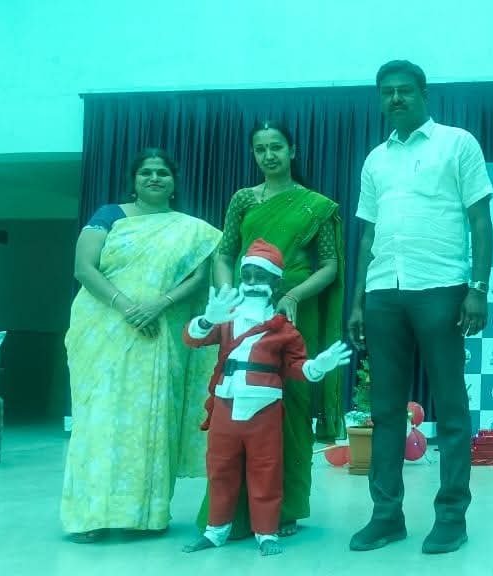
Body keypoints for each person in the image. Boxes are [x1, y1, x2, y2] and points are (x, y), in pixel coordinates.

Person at [348, 59, 493, 555]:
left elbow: (480, 221)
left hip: (442, 288)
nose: (395, 98)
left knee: (450, 408)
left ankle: (452, 517)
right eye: (387, 91)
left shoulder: (457, 143)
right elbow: (367, 235)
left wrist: (478, 289)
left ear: (423, 94)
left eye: (404, 90)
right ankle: (386, 516)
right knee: (385, 410)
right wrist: (358, 302)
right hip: (383, 292)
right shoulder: (375, 160)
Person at [61, 148, 222, 543]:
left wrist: (158, 305)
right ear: (134, 180)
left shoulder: (192, 230)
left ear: (174, 182)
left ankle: (145, 514)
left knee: (153, 418)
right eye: (146, 172)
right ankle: (89, 517)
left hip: (159, 334)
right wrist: (128, 307)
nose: (154, 178)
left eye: (162, 172)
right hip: (104, 330)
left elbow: (199, 278)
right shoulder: (109, 215)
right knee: (99, 420)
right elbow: (84, 268)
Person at [195, 121, 345, 540]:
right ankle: (229, 515)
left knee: (290, 403)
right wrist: (228, 294)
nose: (268, 155)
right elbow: (224, 254)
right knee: (237, 398)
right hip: (247, 309)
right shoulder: (243, 199)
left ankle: (284, 509)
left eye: (276, 147)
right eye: (260, 149)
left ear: (292, 150)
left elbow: (330, 266)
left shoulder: (316, 205)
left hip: (292, 311)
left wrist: (294, 295)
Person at [182, 239, 352, 556]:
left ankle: (266, 533)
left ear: (274, 282)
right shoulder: (225, 319)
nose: (252, 283)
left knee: (266, 470)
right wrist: (207, 319)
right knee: (220, 469)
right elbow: (192, 339)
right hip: (226, 405)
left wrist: (318, 366)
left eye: (260, 276)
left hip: (264, 409)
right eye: (246, 276)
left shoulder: (284, 329)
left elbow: (297, 367)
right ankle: (215, 531)